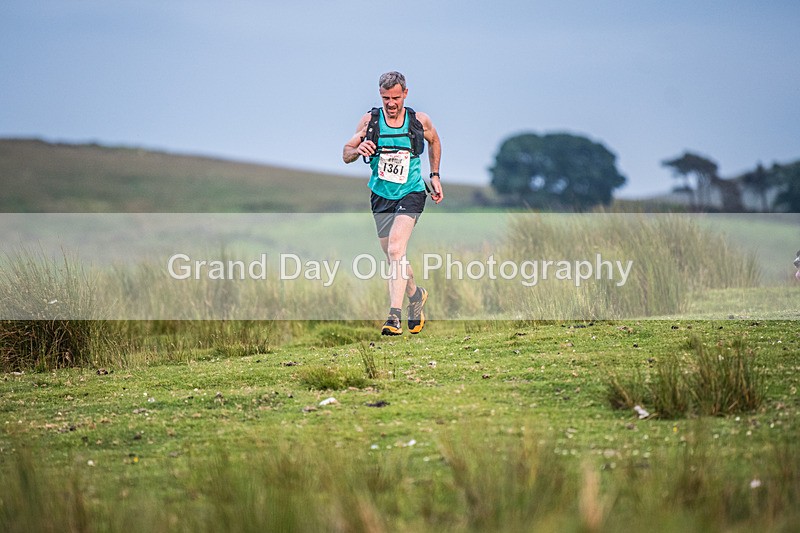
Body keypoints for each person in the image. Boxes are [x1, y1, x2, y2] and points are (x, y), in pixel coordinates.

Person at [342, 71, 443, 335]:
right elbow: (346, 153)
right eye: (386, 97)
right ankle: (416, 294)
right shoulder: (370, 121)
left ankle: (393, 317)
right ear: (380, 95)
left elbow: (435, 142)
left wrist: (434, 175)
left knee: (397, 250)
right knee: (393, 256)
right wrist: (358, 150)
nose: (391, 103)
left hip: (411, 191)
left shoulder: (419, 120)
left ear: (405, 94)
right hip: (380, 194)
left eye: (396, 97)